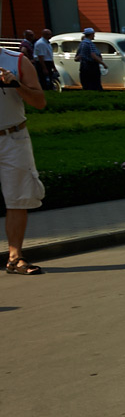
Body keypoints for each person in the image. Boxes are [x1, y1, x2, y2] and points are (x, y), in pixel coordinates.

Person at [0, 35, 47, 273]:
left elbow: (40, 101)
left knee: (17, 199)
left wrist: (16, 84)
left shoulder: (16, 60)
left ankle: (15, 257)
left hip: (13, 137)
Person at [31, 29, 55, 94]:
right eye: (48, 34)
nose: (50, 36)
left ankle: (50, 90)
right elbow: (40, 56)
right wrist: (44, 68)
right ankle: (45, 91)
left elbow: (49, 55)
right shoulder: (41, 43)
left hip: (48, 61)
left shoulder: (47, 43)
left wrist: (53, 66)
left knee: (50, 78)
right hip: (43, 63)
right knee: (44, 79)